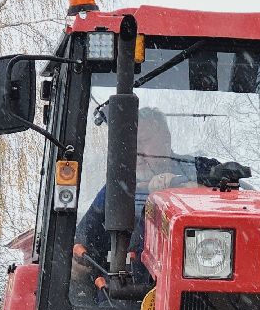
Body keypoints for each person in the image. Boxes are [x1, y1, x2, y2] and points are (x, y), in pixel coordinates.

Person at [73, 107, 216, 292]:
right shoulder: (118, 188)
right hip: (127, 295)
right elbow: (84, 236)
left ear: (166, 139)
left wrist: (182, 187)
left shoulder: (198, 169)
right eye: (132, 144)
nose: (137, 151)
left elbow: (234, 195)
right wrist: (75, 260)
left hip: (197, 286)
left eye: (144, 141)